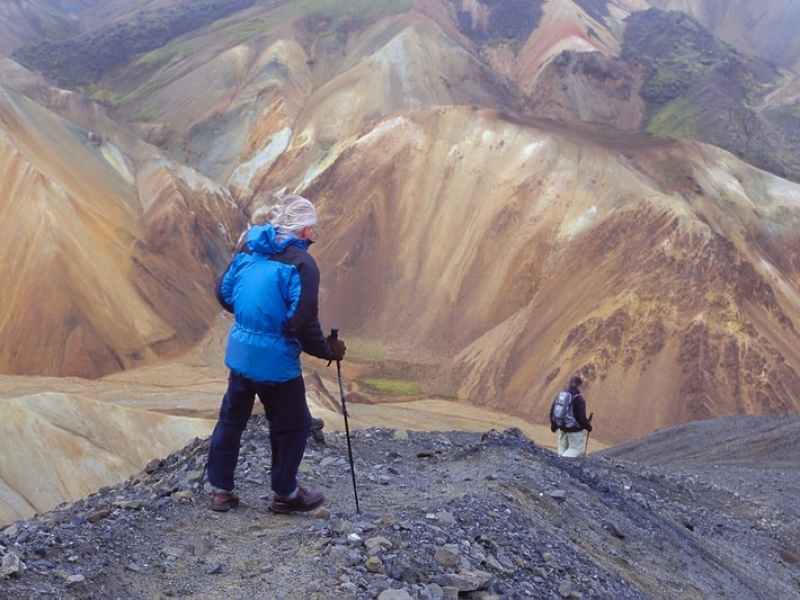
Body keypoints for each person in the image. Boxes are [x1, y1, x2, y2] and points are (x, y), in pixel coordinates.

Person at [207, 194, 346, 513]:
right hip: (276, 363)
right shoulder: (302, 264)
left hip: (241, 355)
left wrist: (249, 320)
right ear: (306, 230)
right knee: (295, 424)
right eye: (314, 230)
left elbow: (224, 292)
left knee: (231, 418)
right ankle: (285, 494)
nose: (315, 235)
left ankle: (221, 491)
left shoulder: (250, 247)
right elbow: (303, 322)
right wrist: (328, 351)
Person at [550, 375, 592, 457]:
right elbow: (581, 418)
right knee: (575, 449)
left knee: (562, 447)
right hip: (573, 430)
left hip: (561, 427)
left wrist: (553, 425)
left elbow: (552, 411)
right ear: (579, 387)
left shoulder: (561, 396)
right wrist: (588, 427)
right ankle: (563, 464)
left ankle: (557, 465)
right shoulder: (579, 399)